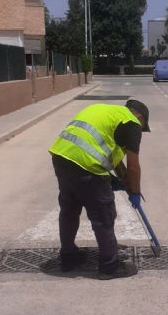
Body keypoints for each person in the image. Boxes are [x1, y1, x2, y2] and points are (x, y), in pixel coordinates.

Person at [49, 99, 150, 278]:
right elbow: (133, 166)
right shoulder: (132, 123)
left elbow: (116, 161)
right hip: (86, 165)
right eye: (142, 127)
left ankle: (69, 256)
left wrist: (122, 182)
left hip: (62, 157)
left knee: (69, 210)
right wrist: (135, 192)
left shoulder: (104, 111)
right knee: (103, 214)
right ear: (140, 117)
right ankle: (110, 266)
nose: (140, 130)